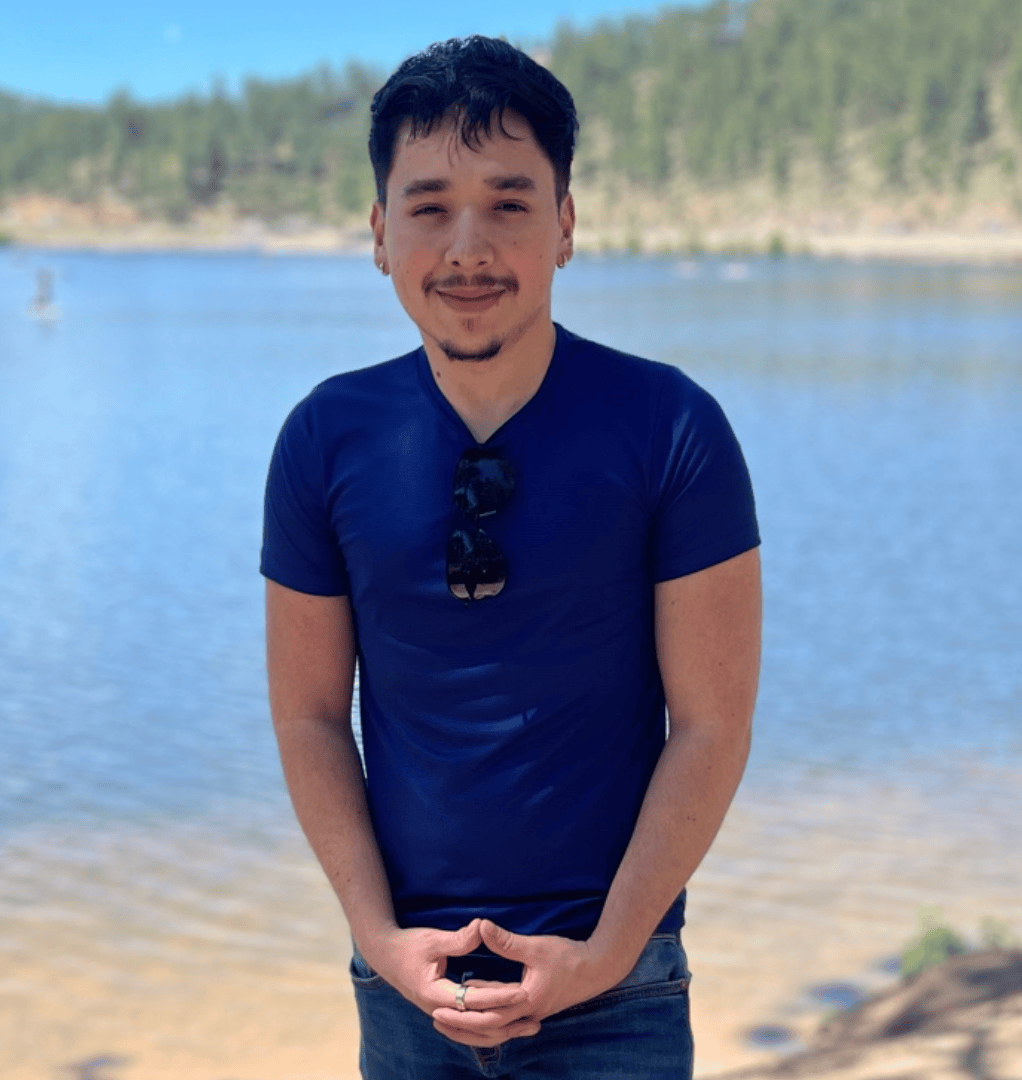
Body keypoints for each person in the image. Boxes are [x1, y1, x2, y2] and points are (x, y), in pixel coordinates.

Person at [261, 35, 761, 1080]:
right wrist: (380, 939)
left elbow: (711, 724)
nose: (468, 248)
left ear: (565, 224)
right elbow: (309, 714)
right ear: (380, 232)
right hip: (408, 990)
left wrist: (606, 953)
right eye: (429, 206)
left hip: (618, 990)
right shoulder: (325, 438)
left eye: (509, 203)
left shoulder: (671, 426)